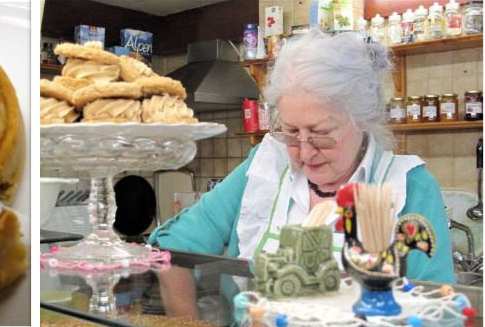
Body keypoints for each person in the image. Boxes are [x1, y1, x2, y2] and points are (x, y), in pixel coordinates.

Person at [150, 30, 454, 316]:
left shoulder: (408, 187)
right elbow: (174, 246)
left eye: (321, 133)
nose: (305, 152)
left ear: (363, 120)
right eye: (291, 132)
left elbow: (437, 311)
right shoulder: (266, 166)